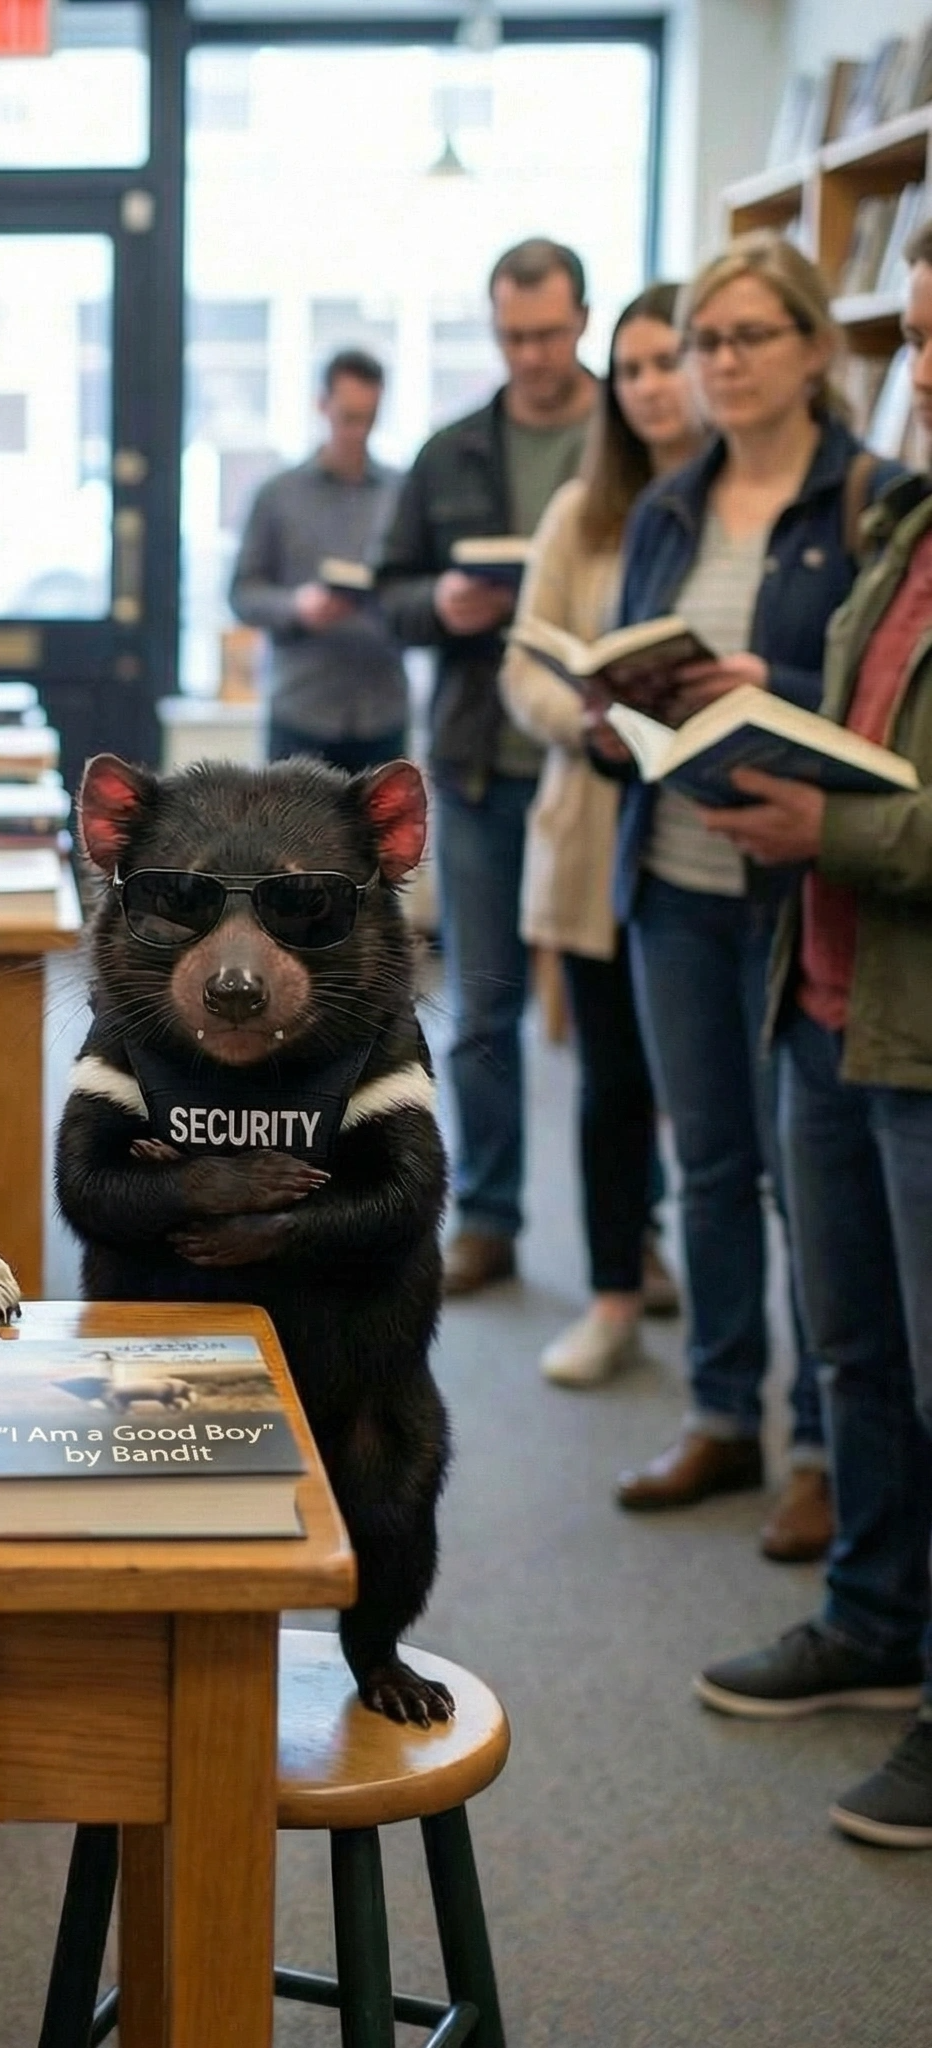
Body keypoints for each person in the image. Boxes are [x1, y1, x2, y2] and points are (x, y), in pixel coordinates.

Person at [601, 230, 906, 1560]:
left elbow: (879, 707)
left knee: (813, 1180)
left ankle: (821, 1452)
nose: (719, 364)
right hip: (675, 872)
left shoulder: (873, 505)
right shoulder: (670, 503)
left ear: (816, 349)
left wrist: (763, 690)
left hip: (812, 895)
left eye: (746, 339)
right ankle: (722, 1411)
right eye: (704, 342)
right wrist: (615, 713)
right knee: (711, 1163)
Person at [685, 226, 932, 1848]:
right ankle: (870, 1615)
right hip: (824, 995)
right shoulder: (905, 517)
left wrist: (826, 833)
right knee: (851, 1346)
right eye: (918, 330)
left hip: (911, 1021)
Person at [377, 238, 601, 1295]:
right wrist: (440, 608)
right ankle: (496, 1215)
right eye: (513, 336)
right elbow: (392, 591)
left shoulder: (631, 439)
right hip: (476, 762)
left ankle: (624, 1224)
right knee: (484, 1000)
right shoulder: (452, 450)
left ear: (582, 321)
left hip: (599, 769)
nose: (533, 354)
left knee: (616, 1013)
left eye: (550, 334)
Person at [501, 284, 699, 1385]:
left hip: (719, 834)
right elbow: (524, 659)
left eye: (667, 359)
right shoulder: (582, 511)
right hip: (595, 818)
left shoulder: (741, 510)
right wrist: (578, 714)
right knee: (610, 1081)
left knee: (718, 1111)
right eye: (632, 369)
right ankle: (613, 1295)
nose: (652, 384)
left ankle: (719, 1325)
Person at [229, 349, 408, 771]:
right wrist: (297, 607)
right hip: (302, 709)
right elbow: (242, 593)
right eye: (348, 417)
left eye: (369, 418)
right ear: (322, 405)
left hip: (382, 710)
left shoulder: (402, 494)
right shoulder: (278, 495)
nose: (357, 431)